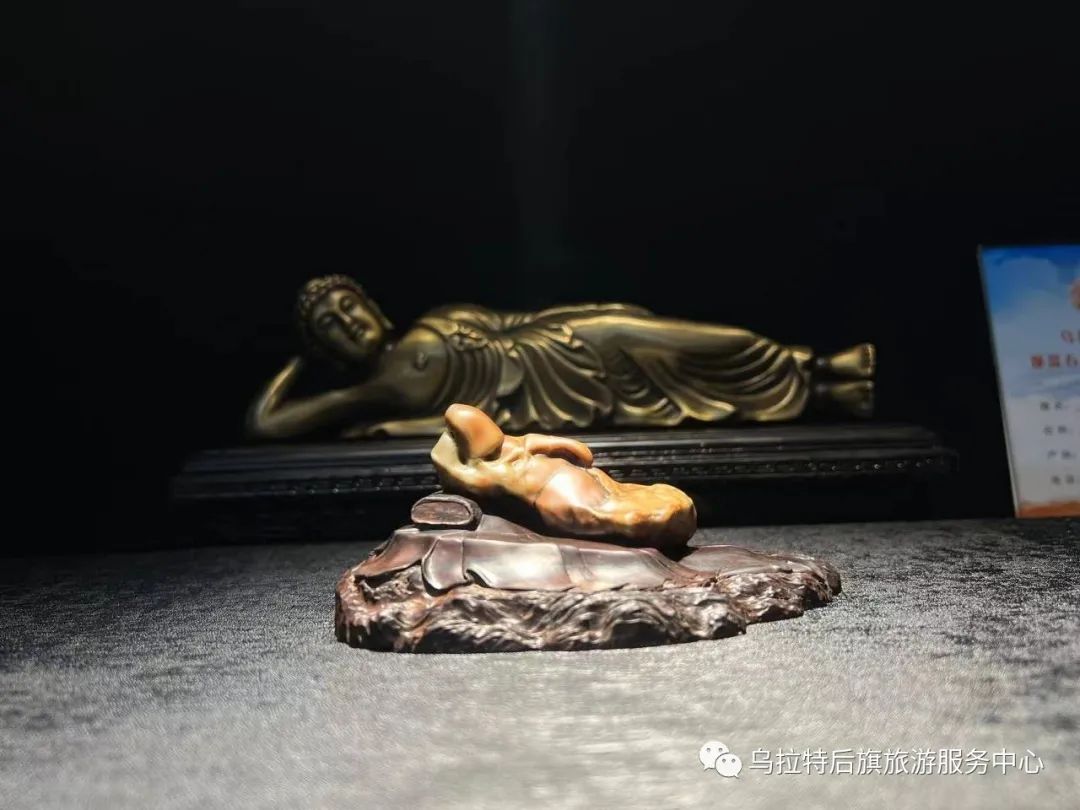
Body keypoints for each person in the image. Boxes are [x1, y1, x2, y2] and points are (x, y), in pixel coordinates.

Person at [247, 274, 874, 439]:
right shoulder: (372, 389)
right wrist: (296, 367)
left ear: (375, 308)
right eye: (330, 328)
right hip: (548, 398)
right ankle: (824, 395)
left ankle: (816, 366)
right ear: (327, 349)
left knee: (688, 340)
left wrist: (586, 314)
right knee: (688, 393)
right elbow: (267, 425)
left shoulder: (434, 319)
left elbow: (511, 323)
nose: (347, 323)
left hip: (562, 344)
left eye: (350, 307)